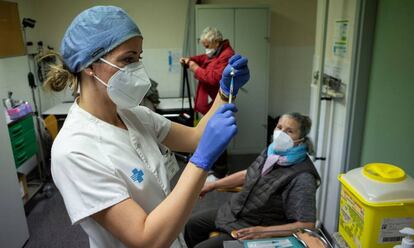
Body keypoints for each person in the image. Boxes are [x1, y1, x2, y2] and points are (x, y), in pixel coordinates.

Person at [42, 6, 249, 248]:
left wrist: (225, 91)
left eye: (138, 58)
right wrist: (200, 162)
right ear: (89, 65)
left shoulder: (133, 115)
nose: (137, 69)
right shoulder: (74, 150)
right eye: (127, 59)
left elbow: (194, 137)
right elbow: (146, 239)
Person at [184, 113, 320, 248]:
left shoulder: (303, 176)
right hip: (235, 212)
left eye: (289, 131)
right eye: (279, 127)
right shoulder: (272, 152)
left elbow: (306, 225)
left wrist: (263, 232)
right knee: (192, 225)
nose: (281, 133)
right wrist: (213, 185)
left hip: (256, 227)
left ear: (301, 139)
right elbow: (249, 174)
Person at [180, 27, 234, 181]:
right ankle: (215, 167)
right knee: (210, 134)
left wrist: (194, 68)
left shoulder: (226, 56)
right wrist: (190, 59)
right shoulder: (215, 53)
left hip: (217, 103)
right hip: (210, 104)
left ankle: (221, 173)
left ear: (216, 42)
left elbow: (212, 78)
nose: (206, 49)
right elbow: (203, 58)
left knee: (218, 134)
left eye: (207, 45)